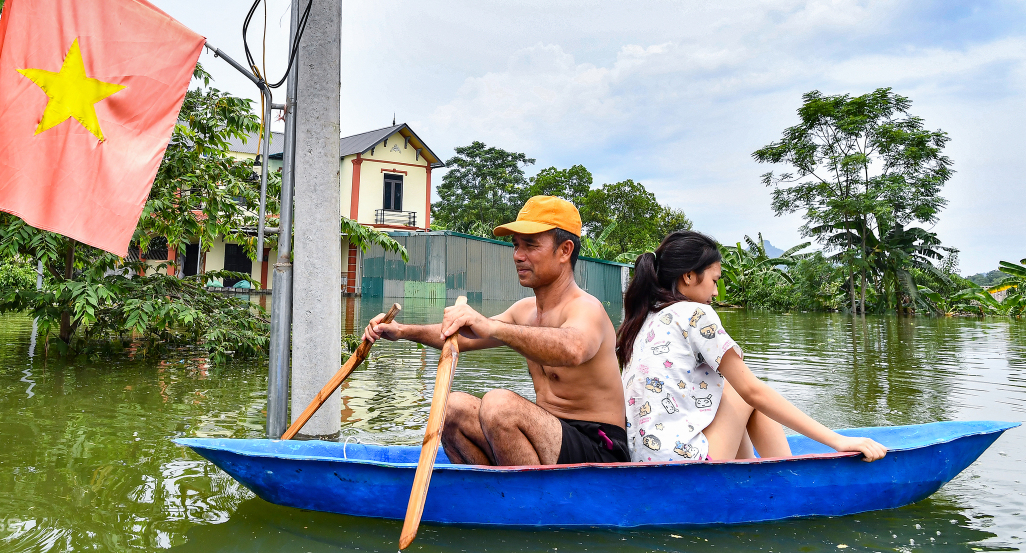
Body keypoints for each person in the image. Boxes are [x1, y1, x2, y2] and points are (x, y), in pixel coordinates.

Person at [362, 196, 629, 466]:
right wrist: (401, 330)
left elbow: (573, 348)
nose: (518, 256)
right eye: (516, 245)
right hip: (548, 436)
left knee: (500, 406)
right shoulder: (524, 310)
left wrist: (492, 327)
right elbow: (461, 338)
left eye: (530, 245)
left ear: (565, 251)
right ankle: (493, 489)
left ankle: (523, 492)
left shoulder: (587, 308)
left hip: (599, 447)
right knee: (451, 407)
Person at [619, 230, 887, 463]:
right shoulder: (695, 313)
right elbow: (752, 392)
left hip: (645, 461)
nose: (716, 292)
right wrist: (838, 440)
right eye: (714, 281)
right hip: (681, 463)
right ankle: (786, 480)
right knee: (745, 392)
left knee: (731, 390)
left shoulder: (644, 318)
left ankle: (748, 473)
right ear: (689, 276)